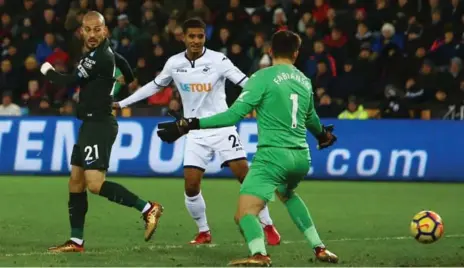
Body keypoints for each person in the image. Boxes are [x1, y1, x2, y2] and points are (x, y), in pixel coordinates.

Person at [157, 30, 339, 266]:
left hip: (272, 158)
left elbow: (232, 116)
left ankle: (259, 255)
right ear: (296, 54)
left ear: (270, 51)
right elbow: (312, 119)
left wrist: (190, 123)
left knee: (244, 214)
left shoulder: (261, 78)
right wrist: (323, 135)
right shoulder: (304, 81)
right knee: (287, 194)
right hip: (301, 157)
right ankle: (320, 248)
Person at [113, 18, 281, 245]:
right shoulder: (174, 63)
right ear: (183, 37)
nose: (195, 41)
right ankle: (204, 231)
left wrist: (269, 96)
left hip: (222, 126)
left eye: (200, 36)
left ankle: (268, 224)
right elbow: (154, 85)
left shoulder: (218, 60)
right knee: (191, 185)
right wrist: (122, 103)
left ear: (204, 37)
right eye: (191, 36)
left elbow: (245, 82)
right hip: (194, 130)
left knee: (245, 176)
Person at [39, 11, 163, 253]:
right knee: (76, 182)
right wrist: (112, 91)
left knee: (94, 184)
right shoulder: (109, 55)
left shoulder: (97, 59)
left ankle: (148, 208)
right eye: (88, 29)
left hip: (99, 125)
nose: (93, 34)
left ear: (105, 31)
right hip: (90, 124)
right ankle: (76, 241)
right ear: (82, 32)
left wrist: (47, 71)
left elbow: (69, 80)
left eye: (97, 29)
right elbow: (128, 73)